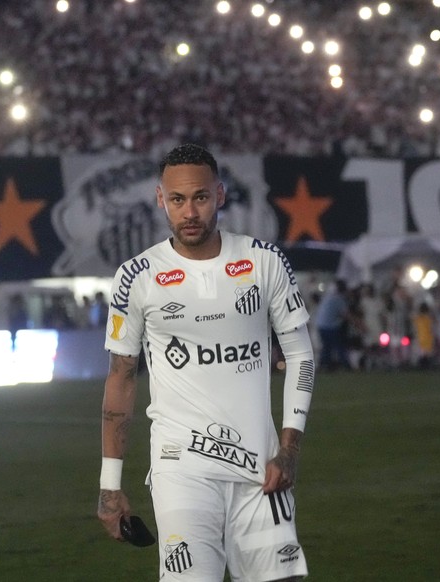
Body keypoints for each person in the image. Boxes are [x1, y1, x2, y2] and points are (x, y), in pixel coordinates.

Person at [97, 144, 314, 581]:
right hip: (183, 468)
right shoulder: (137, 277)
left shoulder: (264, 261)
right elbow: (121, 378)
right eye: (177, 200)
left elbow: (300, 355)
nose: (189, 211)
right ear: (161, 200)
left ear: (219, 194)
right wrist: (110, 483)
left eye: (200, 197)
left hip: (262, 470)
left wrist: (289, 451)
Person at [314, 278, 351, 371]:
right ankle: (345, 365)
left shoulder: (328, 296)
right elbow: (346, 315)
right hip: (330, 326)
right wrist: (360, 326)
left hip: (320, 325)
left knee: (326, 346)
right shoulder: (339, 298)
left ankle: (324, 365)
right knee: (339, 345)